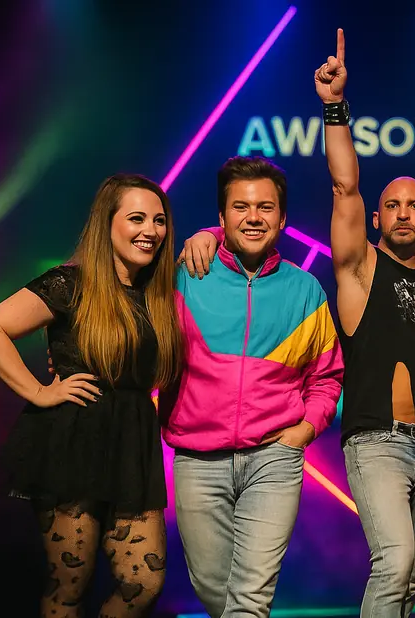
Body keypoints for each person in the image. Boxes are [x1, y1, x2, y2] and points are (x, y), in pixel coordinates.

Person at [179, 28, 415, 618]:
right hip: (376, 442)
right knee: (393, 563)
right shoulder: (359, 270)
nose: (402, 213)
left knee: (410, 580)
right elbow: (345, 183)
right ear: (376, 216)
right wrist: (334, 107)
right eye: (392, 204)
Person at [0, 174, 181, 616]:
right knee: (70, 584)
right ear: (108, 223)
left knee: (142, 581)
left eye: (159, 220)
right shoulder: (72, 282)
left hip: (131, 443)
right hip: (74, 438)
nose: (151, 230)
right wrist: (40, 391)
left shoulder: (156, 293)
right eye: (137, 218)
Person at [160, 156, 344, 617]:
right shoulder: (186, 275)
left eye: (265, 207)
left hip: (273, 460)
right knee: (211, 589)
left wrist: (305, 428)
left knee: (251, 596)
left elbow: (327, 376)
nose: (253, 217)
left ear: (281, 218)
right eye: (240, 207)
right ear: (221, 219)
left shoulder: (305, 291)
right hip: (198, 459)